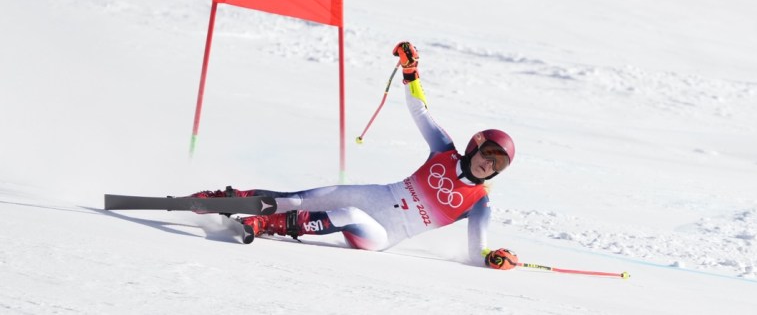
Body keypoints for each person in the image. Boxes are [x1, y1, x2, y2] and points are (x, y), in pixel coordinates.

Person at [191, 42, 520, 270]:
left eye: (498, 164)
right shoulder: (444, 151)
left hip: (382, 235)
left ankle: (266, 224)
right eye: (488, 154)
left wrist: (495, 258)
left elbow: (478, 252)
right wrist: (411, 71)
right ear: (475, 145)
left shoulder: (478, 202)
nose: (488, 164)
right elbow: (419, 109)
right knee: (302, 198)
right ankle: (227, 199)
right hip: (377, 195)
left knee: (346, 213)